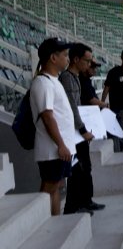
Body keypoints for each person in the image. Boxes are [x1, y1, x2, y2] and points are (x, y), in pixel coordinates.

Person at [30, 38, 76, 216]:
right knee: (49, 188)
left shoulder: (52, 81)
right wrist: (61, 144)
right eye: (65, 55)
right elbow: (48, 117)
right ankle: (40, 223)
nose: (68, 59)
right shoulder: (42, 83)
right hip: (53, 150)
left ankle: (55, 222)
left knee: (56, 187)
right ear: (53, 58)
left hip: (59, 149)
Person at [59, 42, 103, 215]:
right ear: (76, 59)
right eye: (87, 60)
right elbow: (72, 109)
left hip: (78, 132)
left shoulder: (76, 77)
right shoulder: (67, 78)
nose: (89, 64)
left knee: (85, 168)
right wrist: (83, 129)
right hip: (74, 133)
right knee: (77, 171)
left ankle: (84, 201)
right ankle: (73, 206)